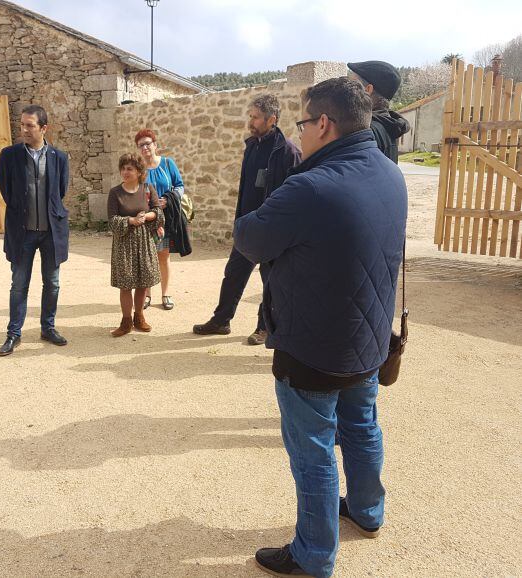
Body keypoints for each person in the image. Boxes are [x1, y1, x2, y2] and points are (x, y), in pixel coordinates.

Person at [233, 77, 407, 577]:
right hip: (369, 339)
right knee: (362, 426)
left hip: (311, 346)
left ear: (324, 124)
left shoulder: (308, 187)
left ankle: (313, 554)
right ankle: (369, 511)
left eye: (303, 123)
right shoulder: (390, 174)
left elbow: (250, 238)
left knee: (313, 453)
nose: (301, 133)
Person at [193, 94, 301, 345]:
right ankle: (221, 321)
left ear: (271, 119)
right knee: (233, 274)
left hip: (272, 231)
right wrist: (238, 221)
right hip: (248, 226)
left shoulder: (288, 152)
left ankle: (264, 327)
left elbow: (294, 195)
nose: (250, 121)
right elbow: (245, 189)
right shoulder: (251, 145)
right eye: (250, 116)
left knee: (270, 281)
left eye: (255, 117)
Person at [0, 105, 70, 356]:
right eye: (22, 125)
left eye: (30, 125)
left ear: (43, 128)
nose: (24, 130)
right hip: (22, 231)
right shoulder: (9, 155)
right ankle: (13, 333)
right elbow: (6, 190)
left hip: (51, 231)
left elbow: (59, 192)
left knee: (52, 283)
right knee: (19, 284)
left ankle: (47, 328)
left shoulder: (59, 158)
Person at [107, 153, 164, 337]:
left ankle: (139, 317)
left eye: (129, 168)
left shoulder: (148, 189)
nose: (125, 172)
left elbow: (158, 213)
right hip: (124, 243)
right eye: (123, 168)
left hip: (144, 241)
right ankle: (126, 321)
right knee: (126, 284)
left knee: (142, 283)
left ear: (139, 171)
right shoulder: (115, 193)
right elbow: (112, 220)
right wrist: (131, 220)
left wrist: (146, 217)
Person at [135, 129, 190, 310]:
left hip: (165, 218)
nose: (145, 148)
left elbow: (180, 186)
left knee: (163, 256)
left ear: (155, 145)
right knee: (147, 258)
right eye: (141, 145)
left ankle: (166, 294)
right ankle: (147, 295)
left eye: (147, 143)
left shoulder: (167, 163)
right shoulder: (138, 169)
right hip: (146, 219)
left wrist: (169, 198)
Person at [347, 60, 411, 163]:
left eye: (352, 85)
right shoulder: (388, 125)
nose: (347, 89)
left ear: (368, 90)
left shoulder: (365, 131)